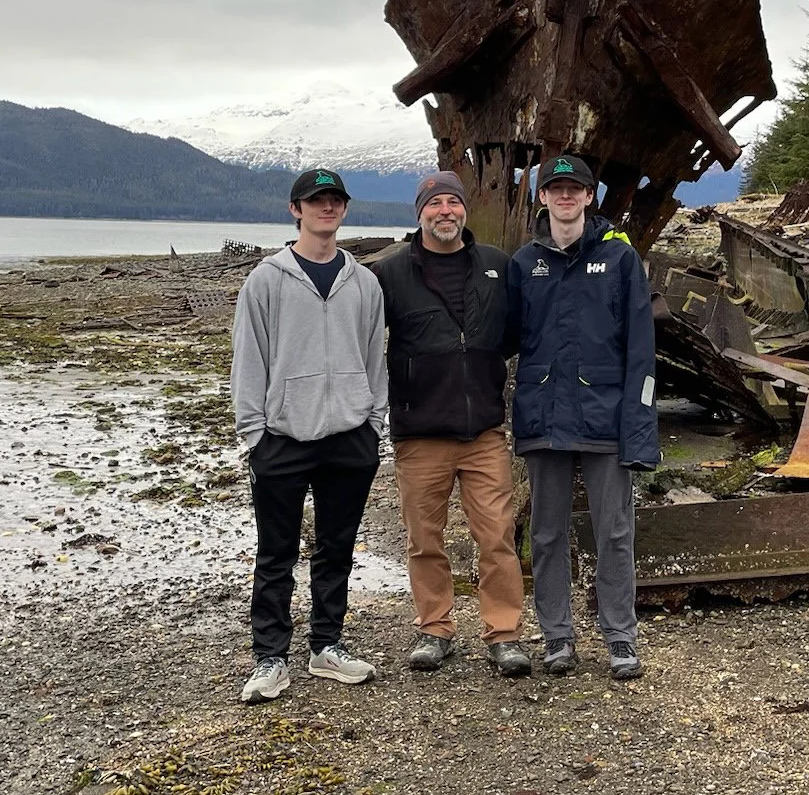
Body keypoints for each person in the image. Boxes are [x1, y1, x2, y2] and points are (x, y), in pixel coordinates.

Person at [229, 167, 388, 704]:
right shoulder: (266, 280)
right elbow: (249, 360)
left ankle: (326, 646)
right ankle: (270, 657)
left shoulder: (363, 282)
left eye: (335, 200)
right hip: (282, 439)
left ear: (344, 210)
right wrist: (255, 435)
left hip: (349, 436)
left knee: (337, 547)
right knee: (276, 552)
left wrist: (373, 424)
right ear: (295, 210)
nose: (327, 209)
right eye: (316, 201)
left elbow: (374, 358)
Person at [506, 153, 658, 682]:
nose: (565, 196)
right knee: (547, 533)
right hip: (544, 415)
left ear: (590, 197)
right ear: (542, 197)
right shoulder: (524, 263)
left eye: (575, 189)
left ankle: (620, 637)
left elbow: (642, 348)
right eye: (556, 188)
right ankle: (558, 638)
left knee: (614, 530)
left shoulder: (619, 259)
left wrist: (640, 428)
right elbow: (502, 340)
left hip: (605, 414)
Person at [375, 170, 531, 677]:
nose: (446, 211)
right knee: (425, 540)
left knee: (497, 537)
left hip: (484, 431)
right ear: (419, 212)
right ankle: (434, 629)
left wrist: (475, 365)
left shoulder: (495, 266)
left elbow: (512, 334)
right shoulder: (391, 272)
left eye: (453, 203)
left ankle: (504, 634)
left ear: (465, 210)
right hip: (420, 433)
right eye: (435, 203)